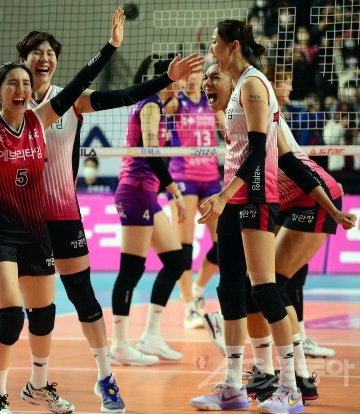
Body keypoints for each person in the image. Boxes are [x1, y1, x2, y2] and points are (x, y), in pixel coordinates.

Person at [0, 11, 203, 414]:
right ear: (23, 61)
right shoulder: (1, 101)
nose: (45, 58)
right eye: (37, 53)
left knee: (80, 297)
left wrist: (159, 77)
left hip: (62, 215)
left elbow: (122, 95)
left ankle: (104, 379)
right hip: (14, 219)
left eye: (51, 53)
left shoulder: (68, 102)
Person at [200, 62, 356, 406]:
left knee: (270, 287)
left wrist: (331, 208)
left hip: (310, 196)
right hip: (277, 200)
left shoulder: (259, 112)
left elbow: (291, 164)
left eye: (214, 77)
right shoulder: (229, 115)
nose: (207, 84)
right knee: (254, 288)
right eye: (204, 80)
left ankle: (297, 379)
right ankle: (267, 373)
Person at [188, 20, 302, 413]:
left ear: (233, 46)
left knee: (264, 289)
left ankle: (290, 389)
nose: (211, 51)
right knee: (229, 289)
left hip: (255, 196)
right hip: (234, 199)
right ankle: (233, 386)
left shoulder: (253, 84)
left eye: (215, 44)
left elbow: (257, 150)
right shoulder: (236, 87)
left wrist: (223, 195)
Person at [110, 56, 188, 366]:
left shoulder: (160, 106)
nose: (183, 82)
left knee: (176, 261)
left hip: (146, 194)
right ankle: (119, 344)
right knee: (131, 269)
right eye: (179, 76)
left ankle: (152, 335)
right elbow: (151, 153)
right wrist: (176, 192)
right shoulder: (151, 106)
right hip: (136, 191)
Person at [164, 66, 221, 329]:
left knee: (223, 244)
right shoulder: (176, 102)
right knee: (184, 247)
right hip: (183, 176)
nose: (193, 78)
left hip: (210, 178)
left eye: (197, 74)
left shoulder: (212, 104)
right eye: (188, 74)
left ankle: (197, 290)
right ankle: (188, 307)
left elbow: (228, 128)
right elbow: (157, 111)